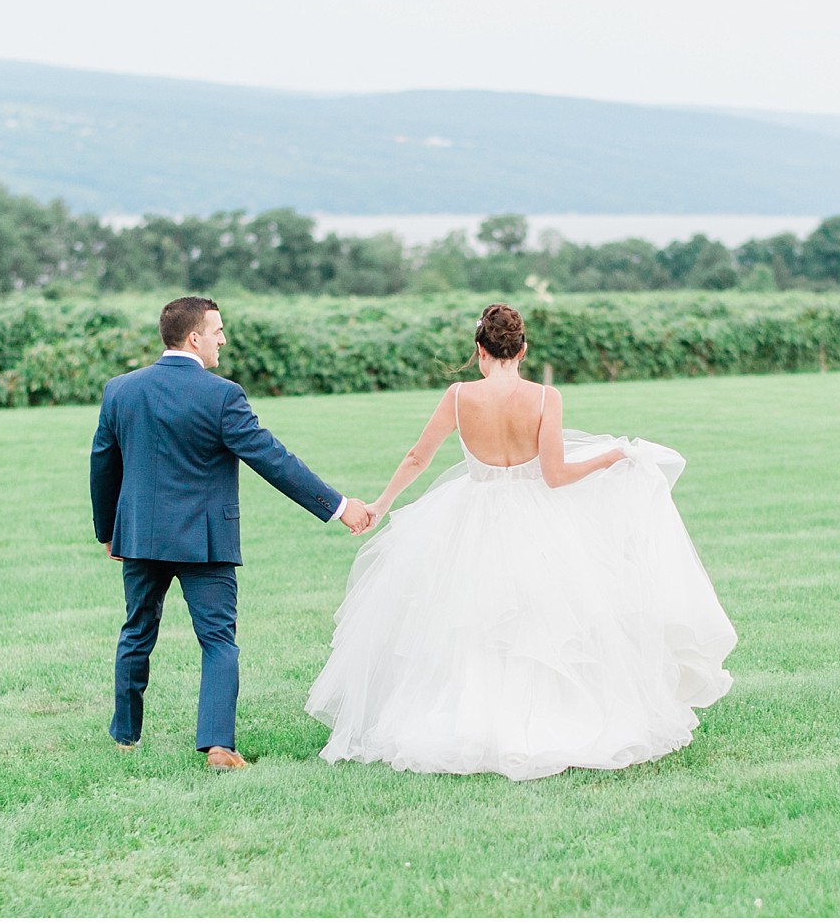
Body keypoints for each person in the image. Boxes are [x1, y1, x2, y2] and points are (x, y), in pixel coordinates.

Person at [305, 303, 737, 781]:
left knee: (468, 623)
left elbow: (416, 457)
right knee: (547, 622)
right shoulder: (545, 397)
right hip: (540, 521)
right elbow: (555, 475)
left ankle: (470, 723)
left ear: (479, 350)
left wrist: (382, 505)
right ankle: (550, 720)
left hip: (471, 519)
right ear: (523, 350)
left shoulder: (457, 396)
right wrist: (609, 458)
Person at [91, 296, 372, 772]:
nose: (223, 339)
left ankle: (125, 737)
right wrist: (339, 506)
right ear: (194, 337)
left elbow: (103, 462)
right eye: (217, 330)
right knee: (218, 640)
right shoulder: (222, 395)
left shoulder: (121, 390)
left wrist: (109, 531)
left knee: (136, 632)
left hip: (139, 537)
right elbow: (272, 459)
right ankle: (218, 747)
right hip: (204, 542)